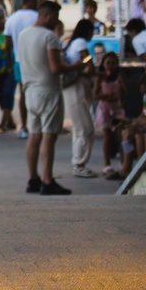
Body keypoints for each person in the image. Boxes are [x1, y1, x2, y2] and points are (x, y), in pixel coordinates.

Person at [14, 0, 75, 196]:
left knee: (34, 135)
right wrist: (79, 66)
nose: (57, 21)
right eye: (55, 17)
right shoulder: (50, 37)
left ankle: (32, 178)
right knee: (49, 136)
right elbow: (56, 68)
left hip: (29, 91)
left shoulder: (24, 35)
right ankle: (48, 180)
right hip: (48, 91)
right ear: (47, 16)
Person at [62, 19, 99, 180]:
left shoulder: (72, 43)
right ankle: (79, 163)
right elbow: (89, 65)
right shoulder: (81, 43)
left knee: (80, 128)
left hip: (75, 87)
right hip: (76, 87)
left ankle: (79, 162)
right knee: (86, 128)